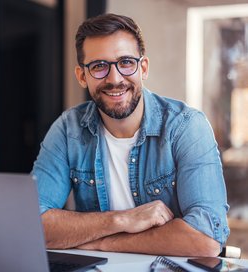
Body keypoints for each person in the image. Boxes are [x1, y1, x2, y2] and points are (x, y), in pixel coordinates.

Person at [32, 13, 229, 257]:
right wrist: (120, 220)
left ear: (143, 67)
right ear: (82, 76)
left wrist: (101, 242)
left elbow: (207, 239)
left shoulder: (186, 126)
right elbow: (31, 223)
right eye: (99, 66)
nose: (115, 79)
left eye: (126, 62)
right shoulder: (67, 130)